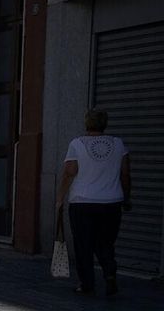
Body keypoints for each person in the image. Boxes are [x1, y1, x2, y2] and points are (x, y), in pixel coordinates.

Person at [56, 108, 133, 296]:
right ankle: (109, 274)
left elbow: (70, 172)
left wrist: (60, 198)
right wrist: (127, 196)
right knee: (106, 242)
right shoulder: (118, 144)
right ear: (105, 123)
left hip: (83, 202)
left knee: (84, 244)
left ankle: (86, 283)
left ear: (86, 122)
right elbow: (125, 174)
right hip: (112, 202)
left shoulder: (77, 144)